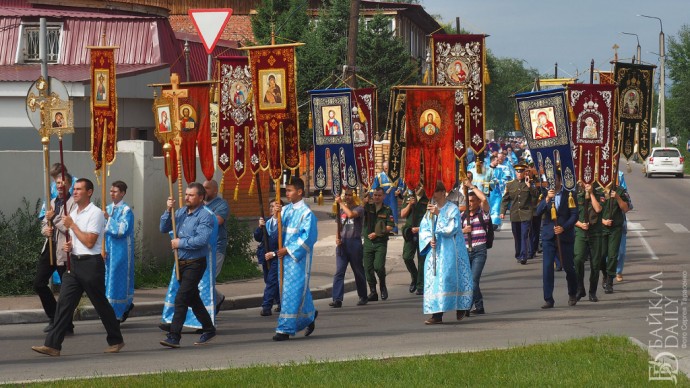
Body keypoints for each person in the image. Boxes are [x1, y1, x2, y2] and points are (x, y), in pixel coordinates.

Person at [32, 178, 124, 356]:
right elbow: (73, 238)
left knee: (101, 305)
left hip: (91, 264)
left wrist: (72, 226)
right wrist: (69, 245)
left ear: (89, 192)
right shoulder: (73, 213)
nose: (74, 192)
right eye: (74, 189)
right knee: (64, 304)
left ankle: (116, 339)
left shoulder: (95, 213)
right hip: (74, 264)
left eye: (79, 189)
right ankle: (53, 345)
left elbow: (90, 242)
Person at [159, 182, 218, 348]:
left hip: (195, 263)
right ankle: (208, 328)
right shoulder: (180, 212)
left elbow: (201, 240)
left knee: (182, 297)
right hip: (181, 262)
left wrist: (180, 243)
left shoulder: (205, 215)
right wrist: (167, 210)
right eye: (186, 194)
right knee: (193, 298)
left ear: (200, 197)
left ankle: (174, 336)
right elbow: (163, 228)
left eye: (191, 195)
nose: (187, 198)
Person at [420, 181, 473, 324]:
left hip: (450, 250)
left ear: (443, 192)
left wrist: (439, 214)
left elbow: (452, 228)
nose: (433, 195)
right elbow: (424, 227)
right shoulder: (430, 210)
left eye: (436, 191)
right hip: (435, 251)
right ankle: (436, 315)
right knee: (434, 280)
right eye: (432, 192)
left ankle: (461, 305)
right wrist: (428, 239)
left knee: (449, 278)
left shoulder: (452, 209)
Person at [272, 177, 318, 341]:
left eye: (290, 190)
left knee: (293, 290)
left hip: (297, 259)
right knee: (289, 290)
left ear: (299, 191)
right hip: (283, 259)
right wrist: (275, 214)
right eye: (286, 190)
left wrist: (288, 250)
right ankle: (310, 314)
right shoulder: (286, 210)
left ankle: (284, 329)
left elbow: (308, 238)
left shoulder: (307, 214)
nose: (287, 193)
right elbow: (273, 230)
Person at [34, 173, 76, 334]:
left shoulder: (74, 204)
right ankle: (54, 317)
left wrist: (56, 218)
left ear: (69, 185)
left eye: (63, 183)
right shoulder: (51, 202)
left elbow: (69, 227)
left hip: (65, 250)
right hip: (50, 248)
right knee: (39, 283)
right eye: (57, 183)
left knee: (66, 291)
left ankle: (66, 324)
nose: (60, 185)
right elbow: (45, 222)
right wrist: (46, 229)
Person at [535, 173, 578, 308]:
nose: (552, 183)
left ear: (560, 181)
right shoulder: (546, 194)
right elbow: (538, 212)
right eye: (550, 181)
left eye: (555, 180)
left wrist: (563, 228)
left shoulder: (569, 194)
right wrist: (547, 198)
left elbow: (574, 215)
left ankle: (572, 293)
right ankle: (548, 299)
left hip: (564, 237)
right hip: (549, 237)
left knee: (568, 267)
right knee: (547, 268)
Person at [331, 188, 368, 307]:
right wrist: (337, 238)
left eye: (349, 195)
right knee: (339, 272)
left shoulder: (359, 208)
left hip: (354, 242)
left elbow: (351, 215)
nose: (347, 197)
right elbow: (339, 225)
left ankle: (363, 296)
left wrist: (340, 203)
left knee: (358, 271)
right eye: (345, 195)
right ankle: (337, 298)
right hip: (343, 243)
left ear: (354, 196)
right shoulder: (340, 210)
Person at [104, 181, 135, 323]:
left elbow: (122, 230)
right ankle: (108, 310)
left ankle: (119, 311)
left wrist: (108, 219)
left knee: (118, 280)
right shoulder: (107, 208)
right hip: (108, 250)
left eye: (115, 191)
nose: (112, 194)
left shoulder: (126, 210)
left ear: (122, 193)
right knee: (107, 279)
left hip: (121, 251)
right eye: (110, 191)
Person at [460, 179, 491, 315]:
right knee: (467, 281)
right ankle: (479, 306)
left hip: (479, 250)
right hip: (466, 250)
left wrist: (471, 186)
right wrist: (463, 231)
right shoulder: (462, 217)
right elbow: (455, 232)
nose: (470, 204)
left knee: (473, 280)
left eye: (473, 201)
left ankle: (467, 306)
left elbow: (484, 199)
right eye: (469, 201)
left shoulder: (482, 215)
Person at [500, 164, 540, 264]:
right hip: (515, 214)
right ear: (515, 173)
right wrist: (502, 211)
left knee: (524, 235)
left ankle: (523, 256)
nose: (519, 174)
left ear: (524, 173)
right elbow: (505, 199)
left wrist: (529, 186)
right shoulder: (510, 184)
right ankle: (518, 254)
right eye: (518, 172)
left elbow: (536, 196)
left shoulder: (530, 183)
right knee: (517, 236)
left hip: (526, 213)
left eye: (521, 172)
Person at [362, 187, 394, 302]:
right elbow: (359, 213)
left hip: (380, 242)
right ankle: (373, 291)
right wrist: (363, 202)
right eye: (375, 195)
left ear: (383, 196)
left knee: (378, 266)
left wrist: (377, 233)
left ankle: (382, 284)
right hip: (368, 243)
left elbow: (390, 226)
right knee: (368, 268)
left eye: (379, 195)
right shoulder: (367, 207)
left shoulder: (387, 210)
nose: (376, 197)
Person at [599, 175, 630, 294]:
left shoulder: (621, 191)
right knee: (601, 256)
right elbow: (594, 210)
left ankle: (610, 282)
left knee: (612, 255)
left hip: (615, 228)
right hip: (601, 227)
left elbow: (626, 208)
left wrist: (617, 197)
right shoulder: (598, 190)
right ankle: (605, 274)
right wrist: (603, 221)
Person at [573, 182, 603, 303]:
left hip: (595, 233)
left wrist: (591, 193)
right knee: (578, 259)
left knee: (595, 264)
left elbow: (598, 209)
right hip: (580, 232)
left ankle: (592, 291)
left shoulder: (599, 192)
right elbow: (570, 215)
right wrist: (579, 224)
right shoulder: (575, 194)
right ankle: (580, 288)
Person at [203, 179, 229, 315]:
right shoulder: (199, 203)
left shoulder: (221, 204)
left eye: (207, 188)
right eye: (203, 188)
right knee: (202, 279)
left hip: (216, 247)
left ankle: (208, 312)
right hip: (201, 247)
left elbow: (217, 221)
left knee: (208, 279)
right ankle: (218, 299)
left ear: (215, 190)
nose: (204, 190)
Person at [401, 182, 429, 295]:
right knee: (407, 257)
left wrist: (421, 228)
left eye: (419, 185)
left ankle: (421, 285)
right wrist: (409, 205)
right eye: (415, 185)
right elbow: (402, 214)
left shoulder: (428, 197)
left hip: (422, 231)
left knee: (422, 259)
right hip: (409, 231)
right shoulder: (408, 197)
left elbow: (430, 216)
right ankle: (415, 276)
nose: (417, 187)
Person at [255, 199, 281, 316]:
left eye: (275, 206)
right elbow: (258, 238)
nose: (272, 209)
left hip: (277, 255)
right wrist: (260, 227)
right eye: (270, 206)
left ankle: (266, 306)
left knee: (271, 281)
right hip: (265, 256)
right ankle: (281, 303)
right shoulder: (267, 222)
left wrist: (275, 253)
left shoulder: (283, 223)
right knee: (269, 280)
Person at [372, 161, 404, 234]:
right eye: (386, 168)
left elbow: (401, 185)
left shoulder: (396, 176)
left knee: (393, 213)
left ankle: (394, 230)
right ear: (383, 168)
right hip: (382, 199)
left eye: (388, 168)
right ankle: (381, 229)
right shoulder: (379, 176)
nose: (387, 170)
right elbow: (374, 188)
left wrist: (398, 191)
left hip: (392, 199)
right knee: (382, 213)